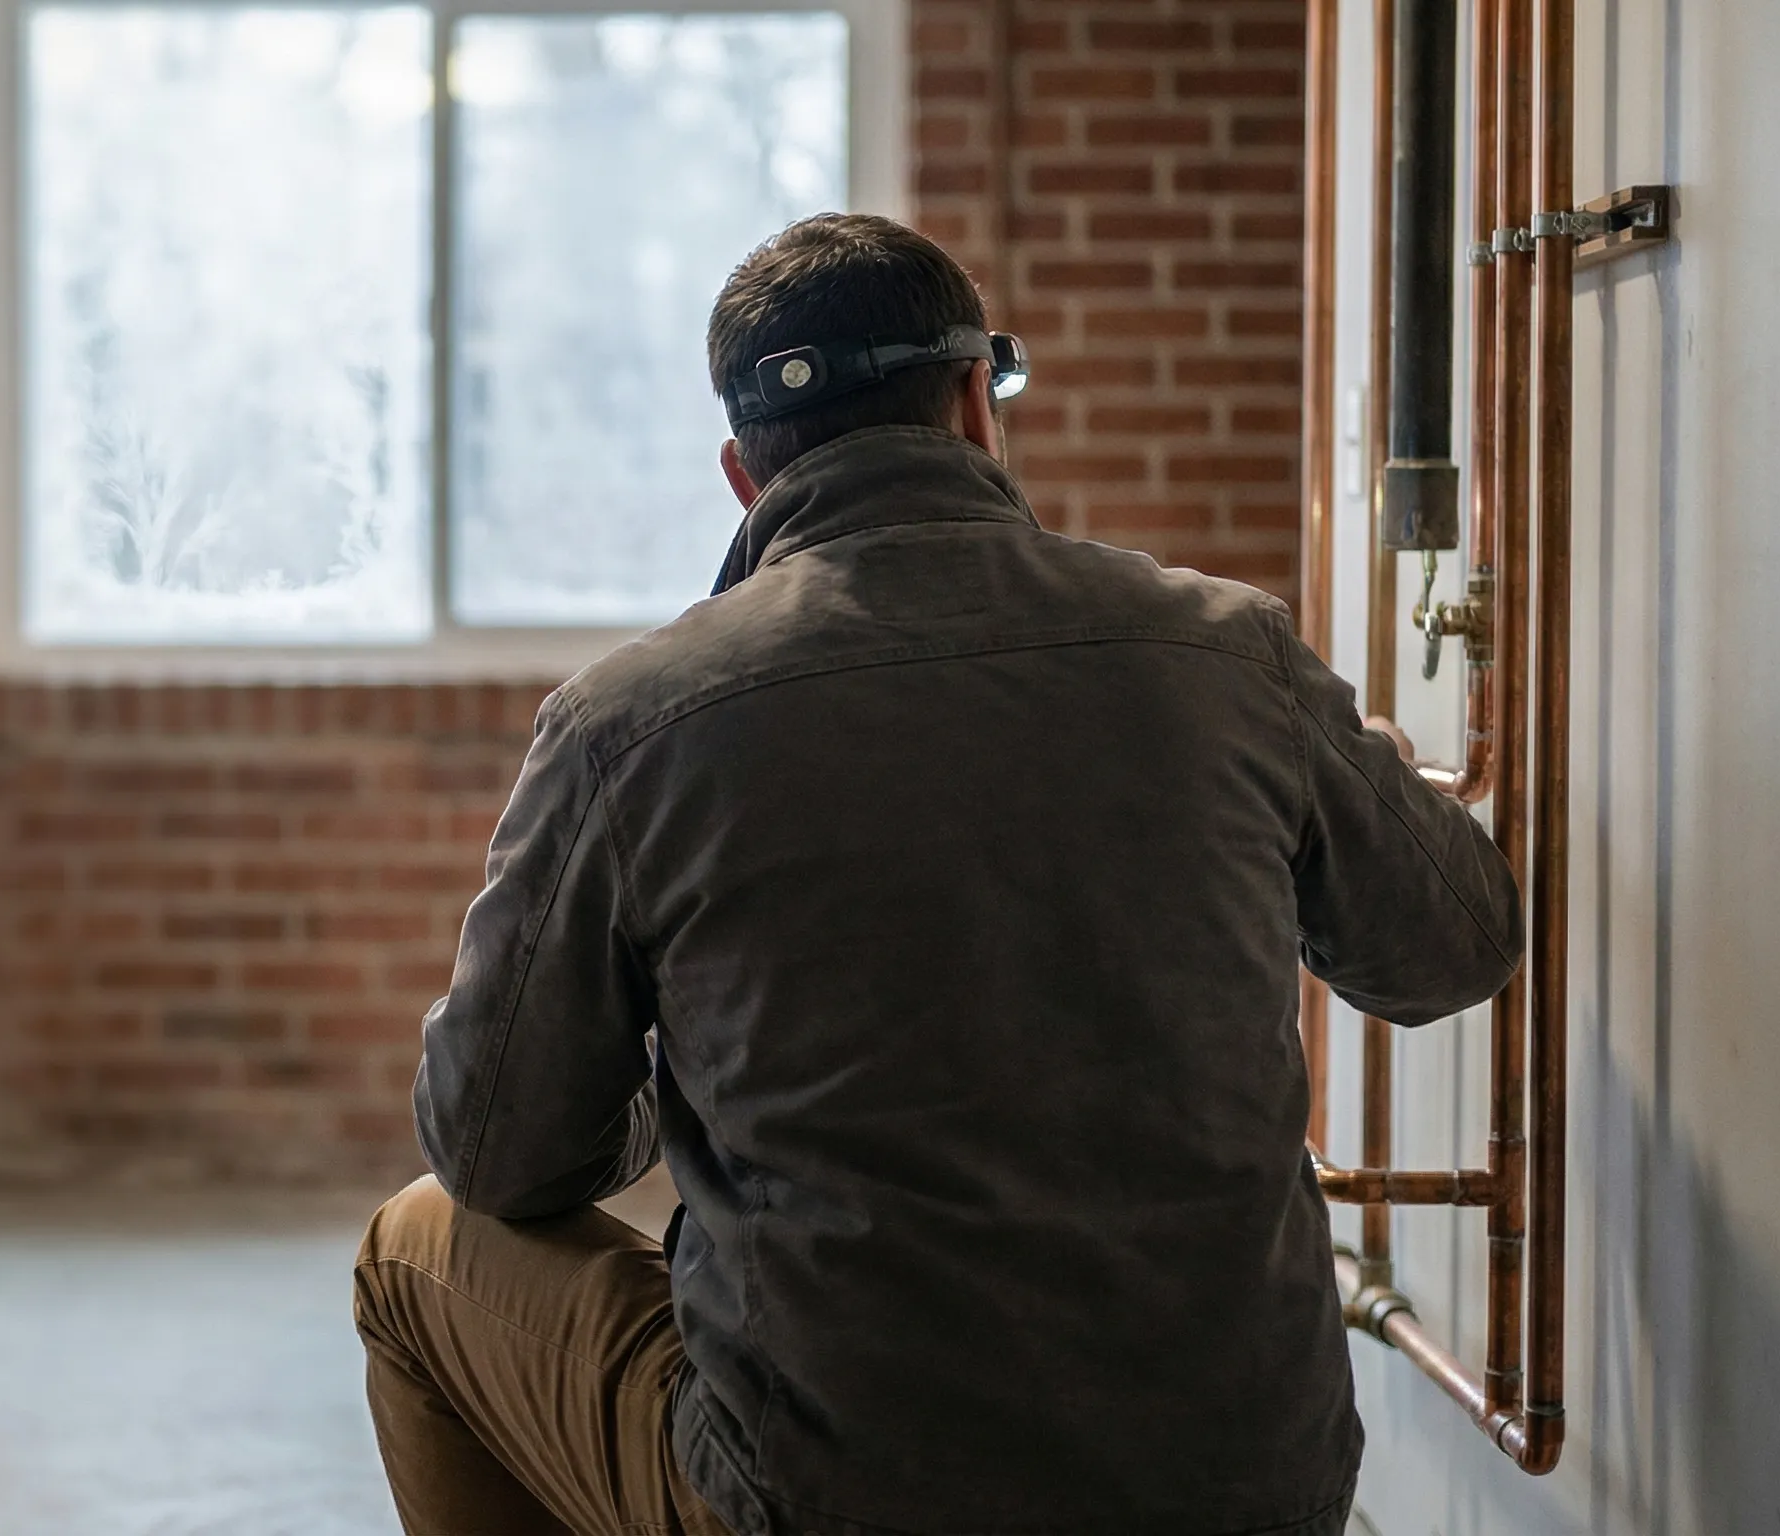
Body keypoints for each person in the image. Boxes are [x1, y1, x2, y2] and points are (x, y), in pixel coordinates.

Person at [350, 213, 1522, 1536]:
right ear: (976, 402)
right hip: (1250, 1494)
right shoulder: (1224, 652)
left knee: (417, 1246)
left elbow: (501, 1149)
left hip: (840, 1502)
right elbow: (1454, 946)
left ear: (745, 475)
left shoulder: (634, 722)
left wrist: (685, 1069)